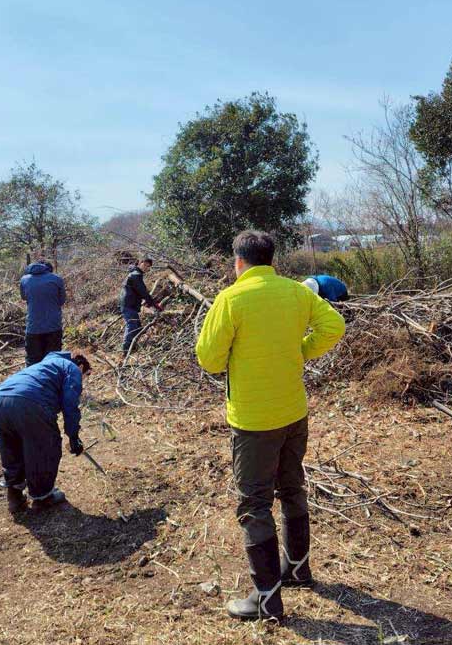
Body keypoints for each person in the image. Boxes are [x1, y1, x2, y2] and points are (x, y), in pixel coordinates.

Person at [195, 230, 345, 621]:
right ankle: (297, 568)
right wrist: (301, 351)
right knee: (292, 488)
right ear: (270, 259)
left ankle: (266, 598)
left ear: (238, 261)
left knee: (254, 504)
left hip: (253, 421)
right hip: (294, 413)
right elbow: (334, 326)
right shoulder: (296, 292)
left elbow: (209, 359)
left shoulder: (231, 299)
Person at [0, 351, 91, 513]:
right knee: (45, 447)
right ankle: (43, 497)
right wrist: (73, 436)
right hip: (28, 403)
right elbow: (70, 404)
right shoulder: (72, 368)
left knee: (11, 448)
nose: (83, 379)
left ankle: (14, 497)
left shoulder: (44, 365)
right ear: (81, 366)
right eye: (86, 375)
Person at [20, 260, 67, 366]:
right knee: (53, 361)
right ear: (49, 270)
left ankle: (33, 376)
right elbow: (62, 301)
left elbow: (24, 297)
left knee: (33, 361)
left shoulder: (24, 280)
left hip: (33, 327)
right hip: (53, 326)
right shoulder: (57, 279)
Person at [120, 257, 164, 353]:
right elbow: (143, 292)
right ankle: (125, 350)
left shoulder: (135, 274)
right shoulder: (135, 275)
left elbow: (139, 292)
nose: (146, 267)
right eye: (145, 265)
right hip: (128, 305)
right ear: (140, 263)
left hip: (130, 305)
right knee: (132, 326)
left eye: (148, 266)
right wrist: (155, 305)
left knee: (138, 327)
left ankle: (132, 347)